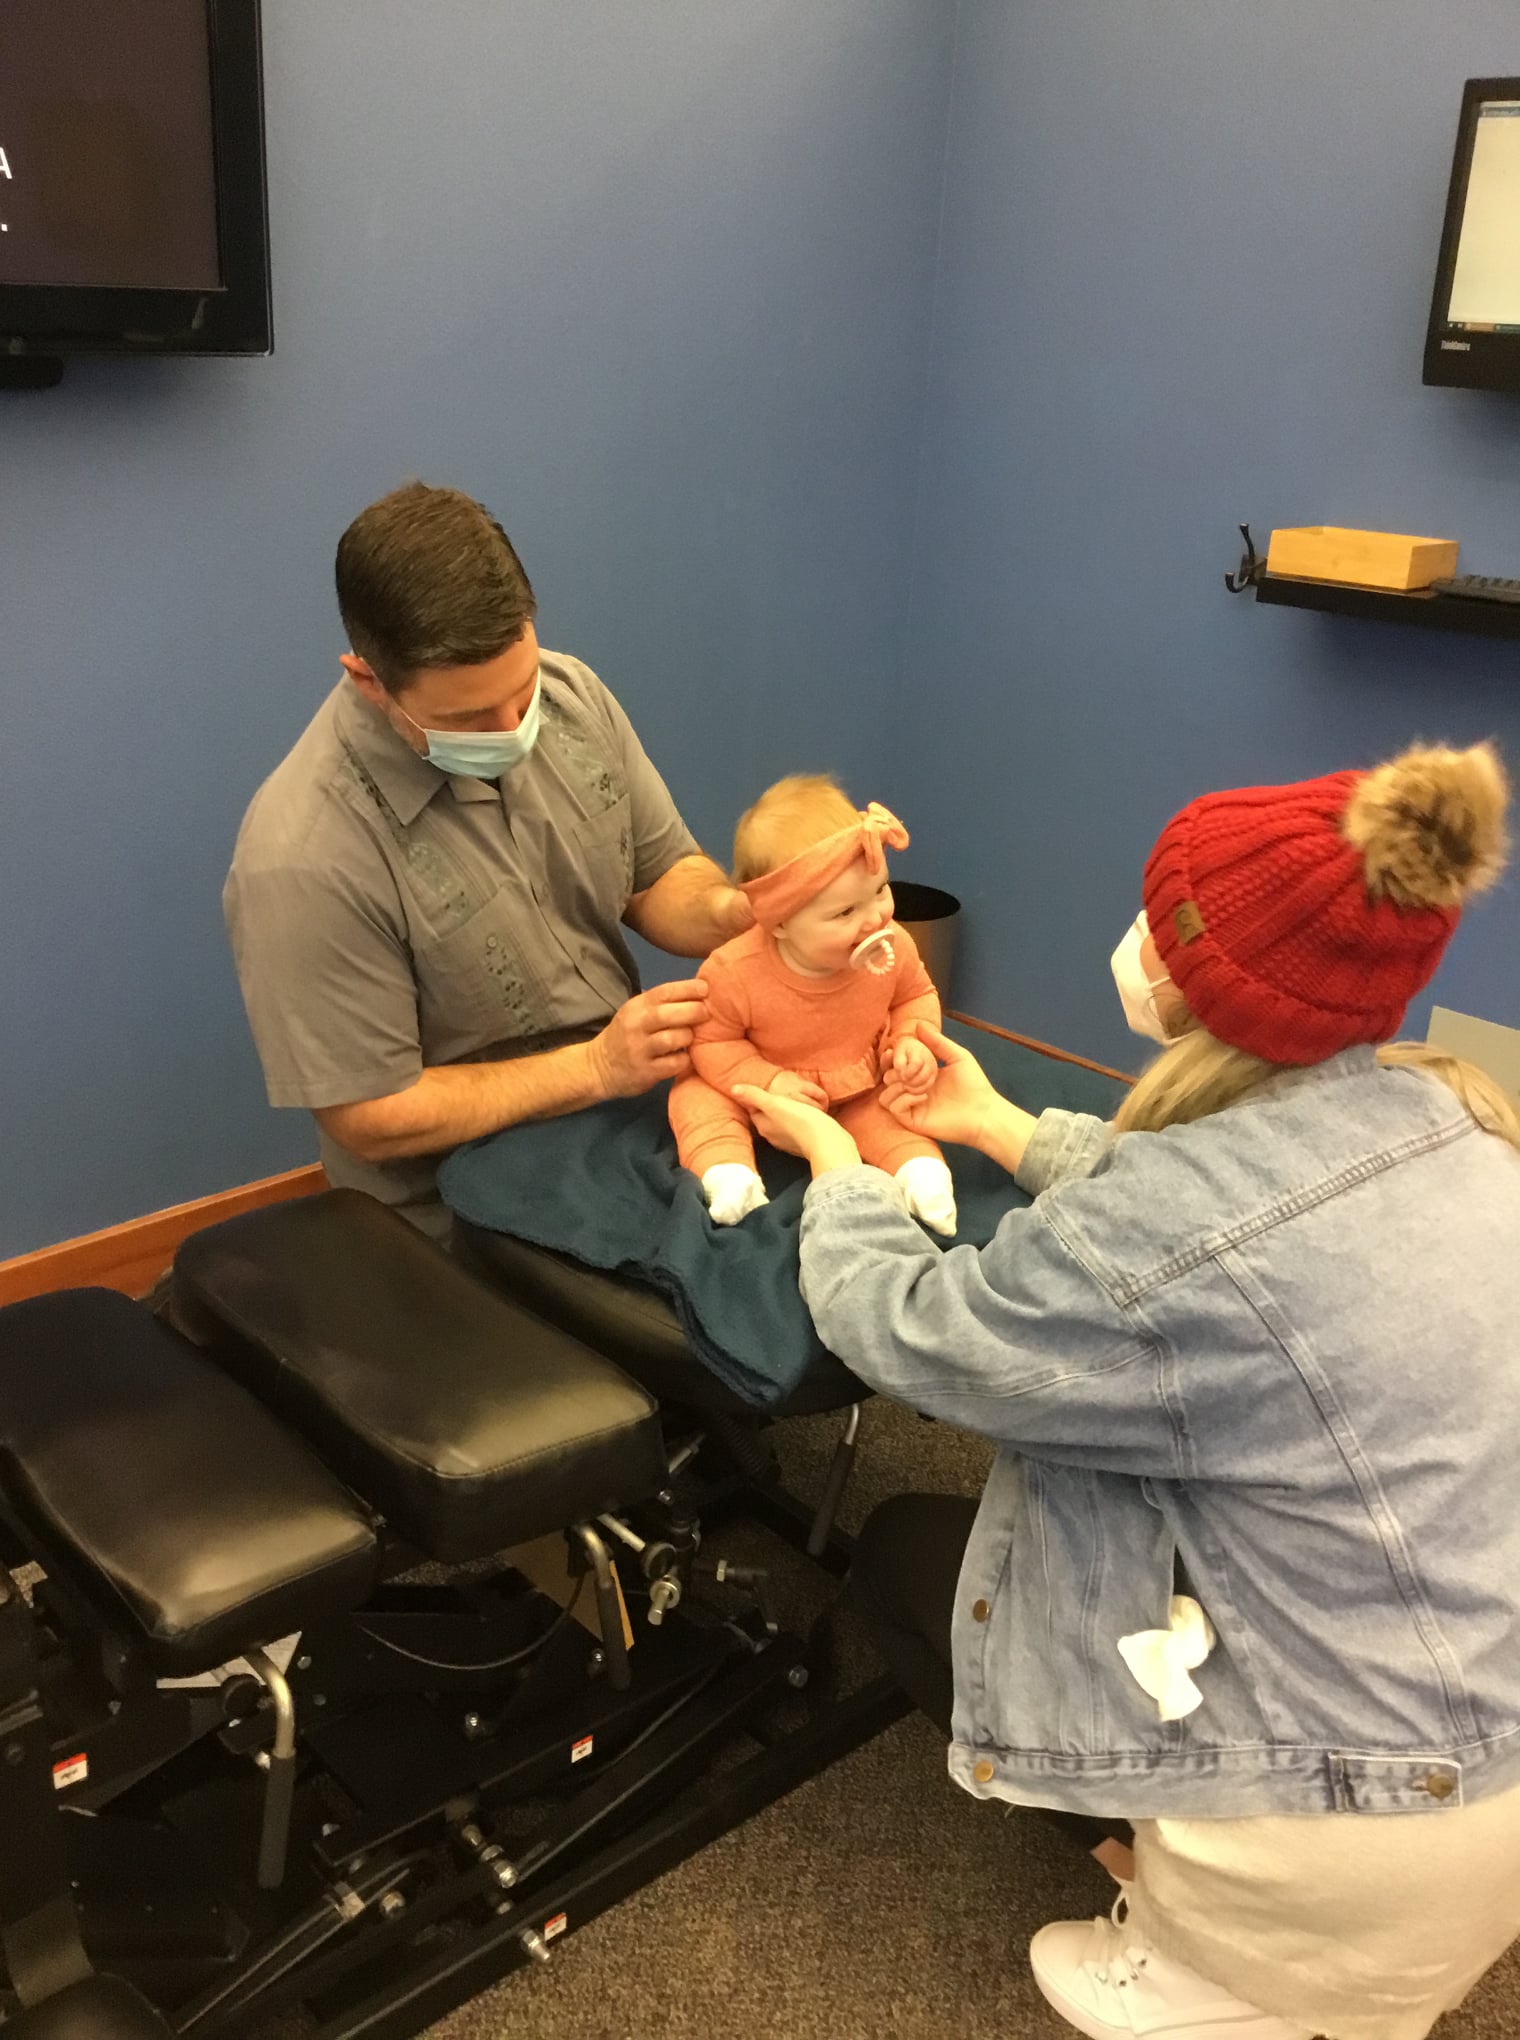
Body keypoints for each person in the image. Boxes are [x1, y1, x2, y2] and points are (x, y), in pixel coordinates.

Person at [734, 740, 1520, 2040]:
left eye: (1157, 921)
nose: (1138, 942)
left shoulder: (1166, 1228)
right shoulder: (1459, 1124)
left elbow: (915, 1330)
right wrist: (996, 1125)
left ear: (1205, 972)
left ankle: (1194, 1958)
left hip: (1347, 1828)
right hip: (1487, 1768)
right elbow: (1249, 1205)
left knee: (912, 1558)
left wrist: (836, 1167)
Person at [225, 481, 750, 1239]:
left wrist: (738, 912)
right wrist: (594, 1069)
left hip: (628, 1127)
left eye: (522, 690)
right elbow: (370, 1116)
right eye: (470, 718)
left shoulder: (571, 697)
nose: (513, 730)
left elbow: (660, 873)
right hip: (459, 1209)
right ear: (369, 680)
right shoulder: (303, 858)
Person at [669, 775, 957, 1233]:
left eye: (880, 890)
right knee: (695, 1098)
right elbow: (712, 1042)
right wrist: (768, 1081)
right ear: (779, 924)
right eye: (845, 912)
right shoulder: (733, 971)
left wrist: (911, 1041)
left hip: (855, 1083)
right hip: (761, 1092)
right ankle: (728, 1173)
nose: (875, 918)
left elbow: (915, 995)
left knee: (890, 1108)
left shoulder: (895, 944)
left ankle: (920, 1173)